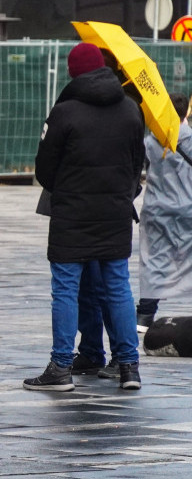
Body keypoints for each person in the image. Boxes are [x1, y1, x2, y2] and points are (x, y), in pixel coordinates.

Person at [23, 42, 144, 392]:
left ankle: (60, 367)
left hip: (72, 217)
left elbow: (44, 171)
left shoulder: (65, 111)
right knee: (118, 287)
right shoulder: (131, 109)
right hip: (115, 214)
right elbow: (137, 166)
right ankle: (129, 367)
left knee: (65, 289)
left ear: (73, 72)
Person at [137, 91, 192, 332]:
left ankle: (145, 315)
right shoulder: (189, 138)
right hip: (188, 208)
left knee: (154, 261)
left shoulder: (150, 141)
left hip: (156, 210)